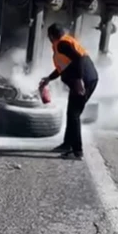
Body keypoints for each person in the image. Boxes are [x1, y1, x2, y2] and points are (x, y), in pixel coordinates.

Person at [39, 23, 99, 160]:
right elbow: (64, 66)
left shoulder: (62, 44)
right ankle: (67, 144)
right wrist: (49, 78)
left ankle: (77, 151)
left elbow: (79, 58)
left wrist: (78, 80)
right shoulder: (63, 44)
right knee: (71, 113)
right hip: (84, 80)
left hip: (84, 81)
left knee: (74, 115)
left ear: (51, 36)